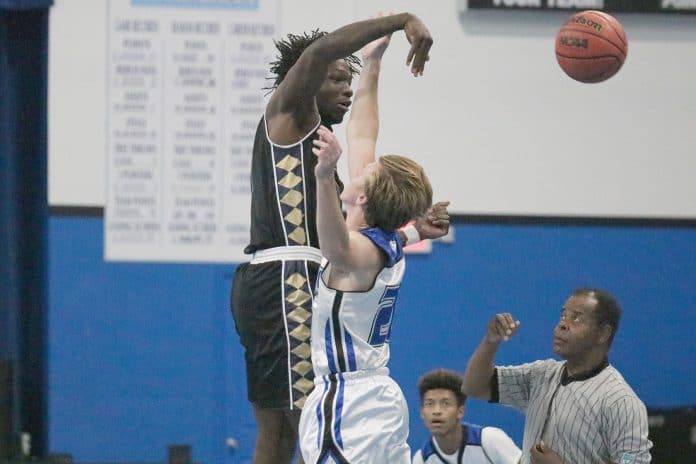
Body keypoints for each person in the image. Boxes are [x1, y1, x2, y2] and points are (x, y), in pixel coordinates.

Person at [231, 13, 439, 464]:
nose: (348, 88)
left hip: (293, 281)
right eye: (338, 79)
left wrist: (374, 62)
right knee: (293, 425)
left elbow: (363, 131)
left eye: (351, 81)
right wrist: (395, 26)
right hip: (284, 278)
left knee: (286, 430)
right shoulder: (290, 116)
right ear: (306, 80)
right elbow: (321, 59)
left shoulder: (331, 159)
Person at [298, 28, 441, 463]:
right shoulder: (389, 238)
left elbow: (335, 246)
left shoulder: (362, 252)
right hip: (367, 396)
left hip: (352, 401)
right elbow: (363, 132)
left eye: (366, 172)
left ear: (363, 196)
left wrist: (324, 176)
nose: (362, 165)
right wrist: (373, 62)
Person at [461, 288, 652, 464]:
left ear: (603, 333)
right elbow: (474, 386)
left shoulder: (622, 402)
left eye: (576, 318)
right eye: (563, 315)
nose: (562, 324)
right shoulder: (541, 374)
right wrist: (490, 342)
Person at [413, 369, 522, 464]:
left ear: (460, 411)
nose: (437, 411)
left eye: (445, 403)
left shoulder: (490, 440)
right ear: (422, 412)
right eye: (430, 404)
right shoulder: (422, 459)